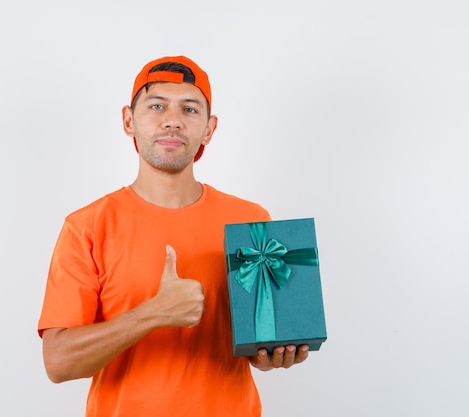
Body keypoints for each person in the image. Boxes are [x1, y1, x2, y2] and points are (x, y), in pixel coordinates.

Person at [37, 55, 309, 417]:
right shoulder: (86, 226)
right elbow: (58, 363)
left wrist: (272, 353)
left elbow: (255, 342)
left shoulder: (250, 221)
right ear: (128, 121)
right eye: (156, 105)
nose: (172, 121)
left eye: (190, 109)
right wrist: (152, 314)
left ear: (209, 129)